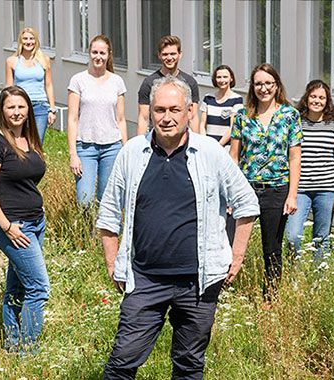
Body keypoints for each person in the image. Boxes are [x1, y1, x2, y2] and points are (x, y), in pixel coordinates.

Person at [97, 75, 259, 379]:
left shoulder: (210, 153)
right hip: (144, 279)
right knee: (121, 363)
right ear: (151, 112)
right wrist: (112, 263)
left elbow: (247, 204)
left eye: (174, 109)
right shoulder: (132, 153)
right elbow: (107, 214)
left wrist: (236, 259)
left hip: (198, 281)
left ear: (190, 112)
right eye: (160, 110)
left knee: (188, 365)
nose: (167, 117)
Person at [0, 86, 49, 354]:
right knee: (39, 287)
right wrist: (7, 227)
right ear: (2, 110)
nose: (17, 112)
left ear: (28, 109)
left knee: (17, 287)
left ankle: (12, 343)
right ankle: (28, 352)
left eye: (21, 107)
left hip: (36, 223)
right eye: (11, 107)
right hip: (13, 226)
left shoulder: (30, 140)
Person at [230, 63, 302, 301]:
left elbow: (294, 157)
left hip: (276, 189)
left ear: (276, 85)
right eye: (259, 83)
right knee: (231, 243)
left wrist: (292, 195)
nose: (264, 88)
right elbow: (234, 156)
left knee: (271, 248)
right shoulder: (242, 116)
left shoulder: (290, 116)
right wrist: (230, 194)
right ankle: (224, 289)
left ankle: (269, 298)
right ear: (252, 86)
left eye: (268, 83)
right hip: (246, 189)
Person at [284, 79, 334, 262]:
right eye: (313, 96)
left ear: (327, 101)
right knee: (292, 236)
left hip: (326, 189)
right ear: (306, 98)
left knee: (321, 238)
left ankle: (317, 279)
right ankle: (293, 276)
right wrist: (291, 193)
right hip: (300, 189)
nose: (317, 101)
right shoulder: (297, 121)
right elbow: (291, 156)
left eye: (321, 97)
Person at [67, 35, 128, 207]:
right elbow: (72, 119)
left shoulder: (117, 82)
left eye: (102, 53)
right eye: (94, 52)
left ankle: (103, 234)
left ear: (109, 55)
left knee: (107, 200)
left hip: (112, 147)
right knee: (84, 201)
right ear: (89, 53)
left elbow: (121, 119)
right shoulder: (78, 80)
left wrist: (125, 150)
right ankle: (86, 234)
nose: (98, 57)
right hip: (86, 147)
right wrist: (73, 154)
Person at [136, 35, 200, 135]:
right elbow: (143, 118)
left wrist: (197, 143)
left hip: (183, 138)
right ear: (159, 55)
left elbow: (193, 116)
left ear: (180, 54)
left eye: (173, 54)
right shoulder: (149, 83)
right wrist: (140, 144)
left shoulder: (190, 82)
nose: (169, 58)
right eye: (165, 54)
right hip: (158, 138)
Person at [5, 27, 56, 143]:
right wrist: (7, 108)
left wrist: (52, 109)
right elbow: (8, 88)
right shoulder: (12, 61)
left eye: (32, 39)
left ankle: (35, 161)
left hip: (40, 106)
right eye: (25, 39)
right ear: (20, 41)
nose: (29, 42)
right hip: (20, 106)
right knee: (19, 141)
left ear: (36, 41)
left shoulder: (44, 60)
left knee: (37, 143)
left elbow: (49, 85)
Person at [199, 65, 243, 145]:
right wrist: (204, 143)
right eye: (219, 77)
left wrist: (218, 146)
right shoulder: (208, 98)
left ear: (231, 78)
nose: (222, 80)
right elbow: (202, 124)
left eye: (225, 77)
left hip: (226, 148)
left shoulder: (237, 99)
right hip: (209, 146)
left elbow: (232, 127)